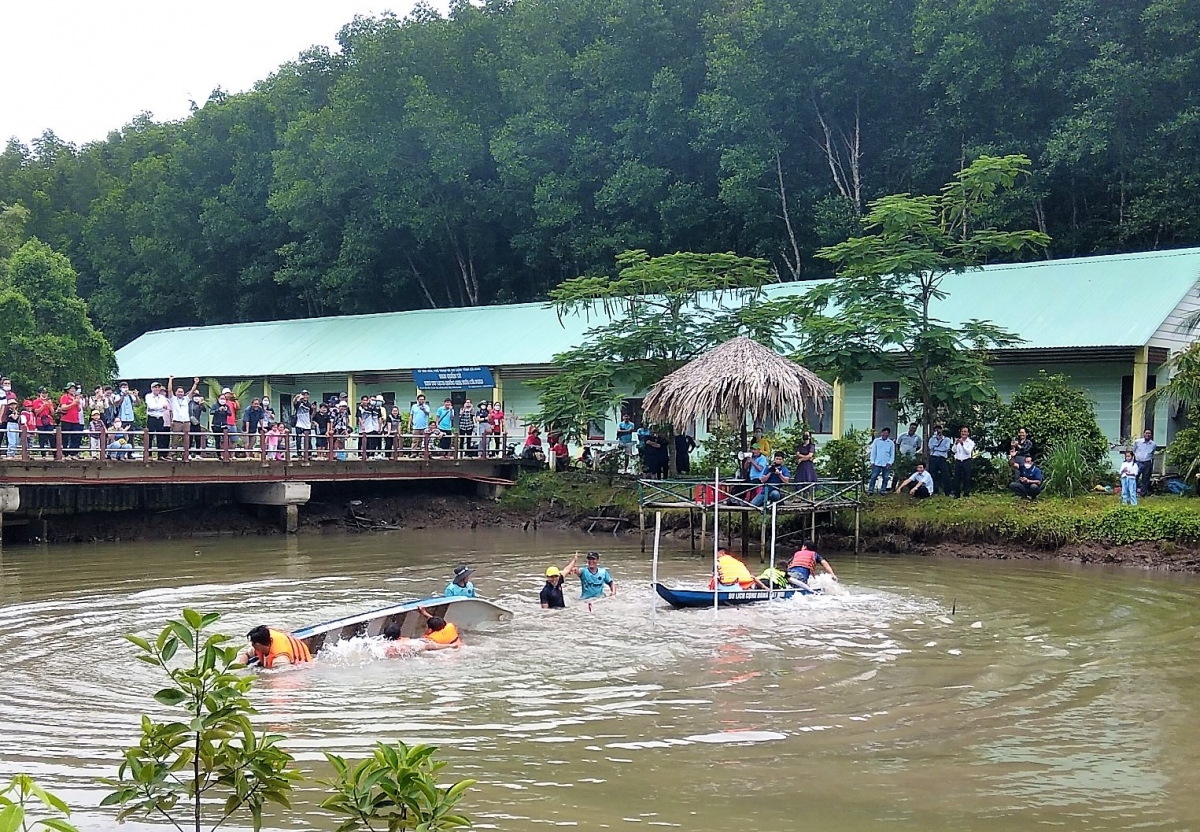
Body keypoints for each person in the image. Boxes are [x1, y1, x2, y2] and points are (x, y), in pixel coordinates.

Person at [238, 625, 313, 669]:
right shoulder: (263, 641)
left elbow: (279, 676)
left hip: (304, 663)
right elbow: (246, 655)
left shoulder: (280, 660)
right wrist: (241, 668)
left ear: (257, 645)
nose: (252, 645)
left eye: (252, 643)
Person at [867, 427, 895, 495]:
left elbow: (892, 454)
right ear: (881, 433)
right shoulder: (876, 441)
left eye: (886, 434)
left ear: (888, 434)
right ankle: (870, 490)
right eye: (883, 433)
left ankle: (883, 490)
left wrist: (890, 462)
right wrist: (872, 461)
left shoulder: (891, 443)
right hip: (877, 462)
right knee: (873, 476)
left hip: (886, 463)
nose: (884, 435)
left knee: (885, 477)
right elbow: (873, 452)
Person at [926, 426, 951, 496]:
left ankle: (947, 491)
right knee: (933, 475)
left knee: (946, 475)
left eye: (939, 430)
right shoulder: (932, 439)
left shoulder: (946, 439)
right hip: (933, 458)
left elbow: (946, 448)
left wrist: (936, 447)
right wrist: (937, 442)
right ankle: (935, 491)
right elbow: (930, 447)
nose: (938, 432)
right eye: (936, 430)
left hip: (942, 458)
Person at [951, 426, 975, 498]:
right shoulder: (958, 440)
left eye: (965, 432)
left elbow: (968, 452)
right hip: (958, 461)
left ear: (968, 433)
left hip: (966, 461)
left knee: (967, 478)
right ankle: (956, 493)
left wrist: (962, 444)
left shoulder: (970, 442)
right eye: (962, 432)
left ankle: (966, 493)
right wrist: (955, 444)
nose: (963, 433)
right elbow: (953, 450)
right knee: (957, 478)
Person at [1132, 429, 1157, 496]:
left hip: (1147, 463)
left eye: (1149, 433)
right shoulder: (1137, 442)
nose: (1148, 435)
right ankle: (1133, 492)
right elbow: (1133, 451)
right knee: (1134, 477)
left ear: (1151, 435)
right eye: (1146, 433)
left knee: (1145, 479)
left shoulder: (1153, 444)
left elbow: (1152, 453)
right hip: (1138, 462)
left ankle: (1143, 494)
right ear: (1144, 434)